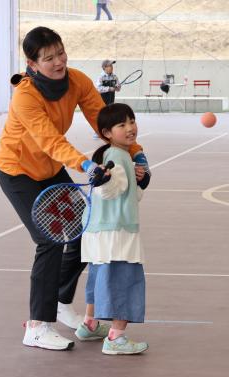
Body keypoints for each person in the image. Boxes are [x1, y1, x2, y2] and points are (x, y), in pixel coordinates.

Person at [0, 26, 149, 351]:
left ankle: (63, 300)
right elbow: (49, 140)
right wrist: (87, 165)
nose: (58, 62)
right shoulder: (25, 95)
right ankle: (37, 326)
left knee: (85, 229)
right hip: (18, 172)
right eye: (48, 58)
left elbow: (103, 119)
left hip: (50, 169)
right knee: (49, 240)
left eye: (60, 53)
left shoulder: (77, 80)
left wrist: (138, 155)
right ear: (32, 63)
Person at [74, 103, 150, 355]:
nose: (130, 128)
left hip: (97, 231)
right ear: (107, 133)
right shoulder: (117, 156)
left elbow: (126, 193)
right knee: (124, 280)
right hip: (117, 231)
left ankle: (90, 324)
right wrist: (106, 181)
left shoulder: (111, 153)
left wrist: (140, 182)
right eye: (122, 125)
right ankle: (116, 338)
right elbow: (111, 189)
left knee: (99, 278)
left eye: (132, 121)